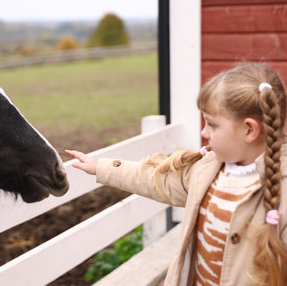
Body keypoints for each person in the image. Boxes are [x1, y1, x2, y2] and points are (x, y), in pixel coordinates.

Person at [66, 63, 287, 286]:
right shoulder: (207, 169)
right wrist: (100, 167)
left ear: (249, 130)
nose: (203, 132)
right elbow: (154, 180)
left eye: (212, 125)